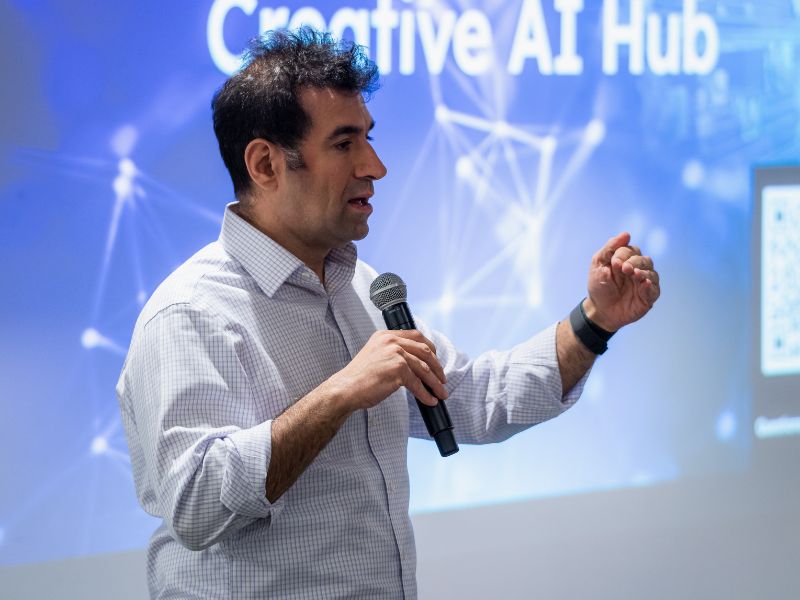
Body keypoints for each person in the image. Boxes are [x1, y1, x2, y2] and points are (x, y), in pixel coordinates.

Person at [116, 27, 660, 599]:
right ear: (265, 164)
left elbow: (475, 400)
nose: (375, 166)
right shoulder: (189, 314)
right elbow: (196, 505)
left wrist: (595, 320)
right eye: (345, 144)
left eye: (368, 139)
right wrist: (341, 391)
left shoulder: (362, 288)